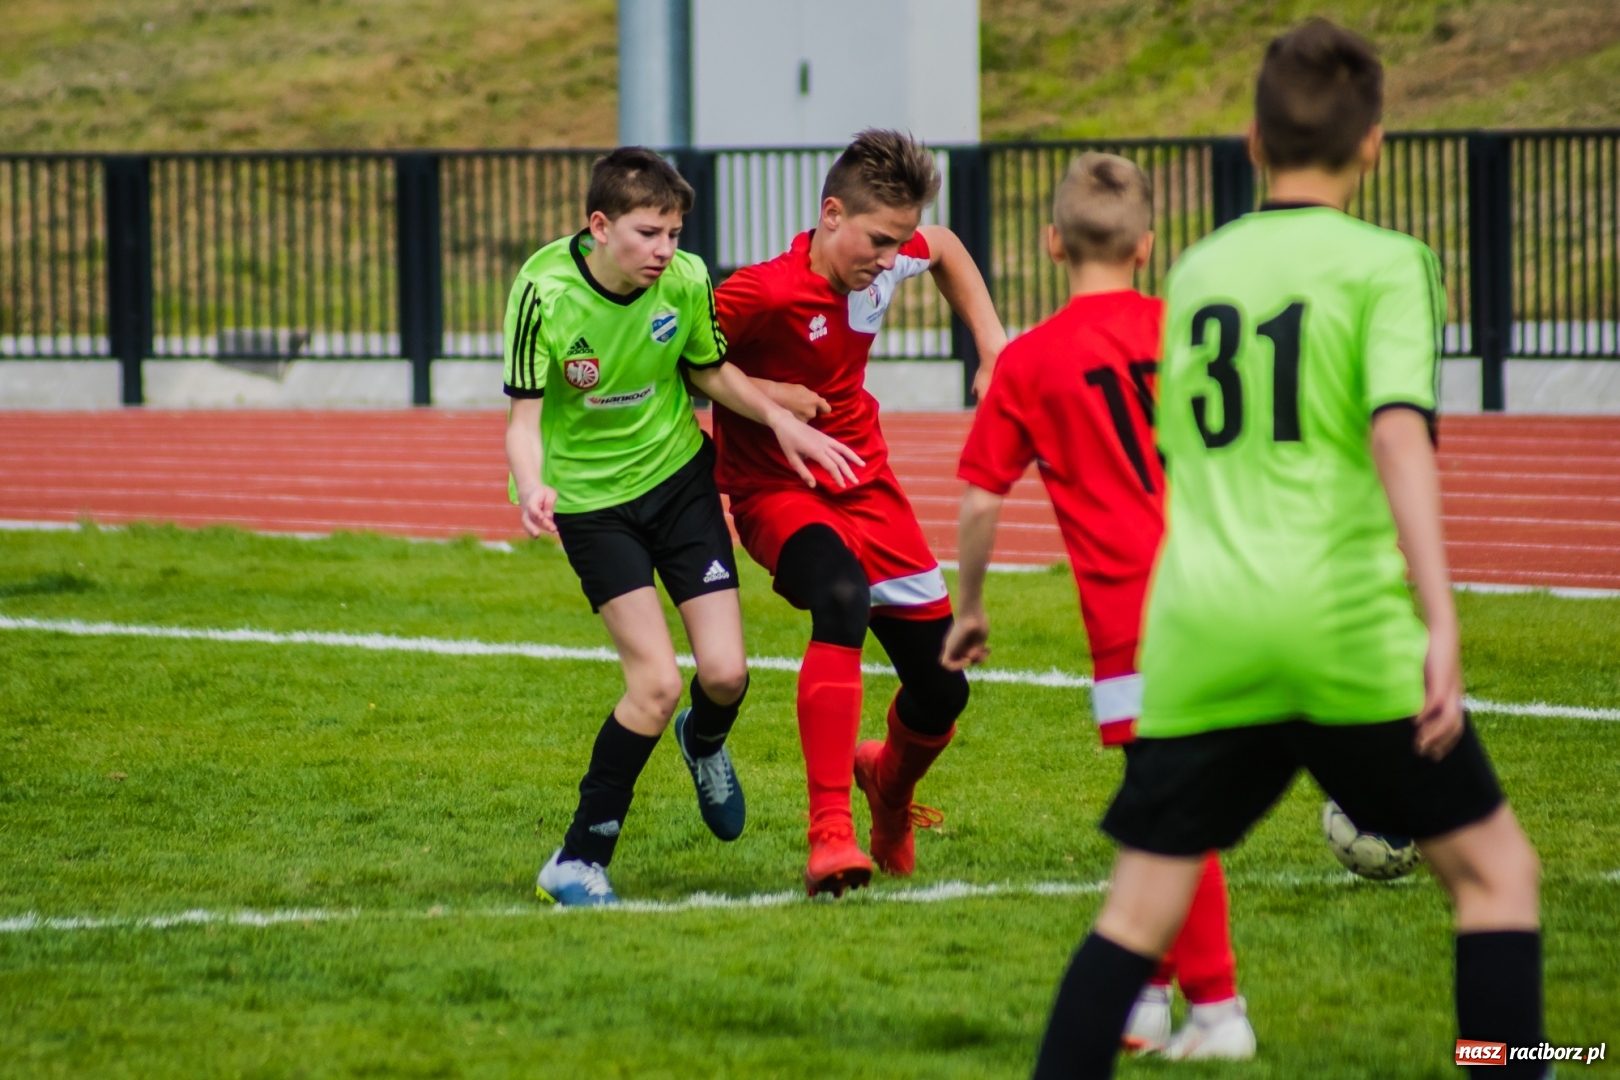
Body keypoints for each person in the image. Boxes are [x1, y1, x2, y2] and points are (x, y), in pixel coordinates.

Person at [1030, 20, 1544, 1079]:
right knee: (1497, 879)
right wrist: (1442, 616)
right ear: (1374, 146)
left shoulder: (1199, 270)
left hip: (1201, 629)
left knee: (1134, 918)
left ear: (1253, 142)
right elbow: (1397, 436)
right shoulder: (1391, 264)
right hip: (1340, 626)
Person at [944, 152, 1256, 1061]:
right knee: (1161, 794)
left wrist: (971, 606)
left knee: (1170, 806)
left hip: (1135, 615)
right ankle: (1149, 998)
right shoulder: (1195, 331)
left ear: (1052, 242)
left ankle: (1219, 1010)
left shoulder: (1029, 360)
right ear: (1148, 246)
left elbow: (980, 500)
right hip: (1231, 590)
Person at [503, 147, 864, 907]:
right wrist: (533, 487)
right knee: (657, 684)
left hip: (678, 483)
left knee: (726, 675)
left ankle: (703, 743)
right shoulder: (543, 292)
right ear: (600, 226)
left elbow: (707, 368)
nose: (664, 249)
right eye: (648, 233)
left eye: (673, 233)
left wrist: (777, 417)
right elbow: (523, 420)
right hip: (592, 505)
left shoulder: (687, 280)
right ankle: (576, 861)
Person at [712, 129, 1008, 897]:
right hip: (776, 489)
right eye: (879, 241)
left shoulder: (886, 262)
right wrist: (773, 398)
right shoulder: (762, 292)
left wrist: (993, 347)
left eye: (899, 242)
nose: (890, 257)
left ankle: (888, 788)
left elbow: (947, 249)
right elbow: (678, 360)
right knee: (841, 597)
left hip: (867, 486)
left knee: (943, 690)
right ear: (831, 215)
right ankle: (829, 834)